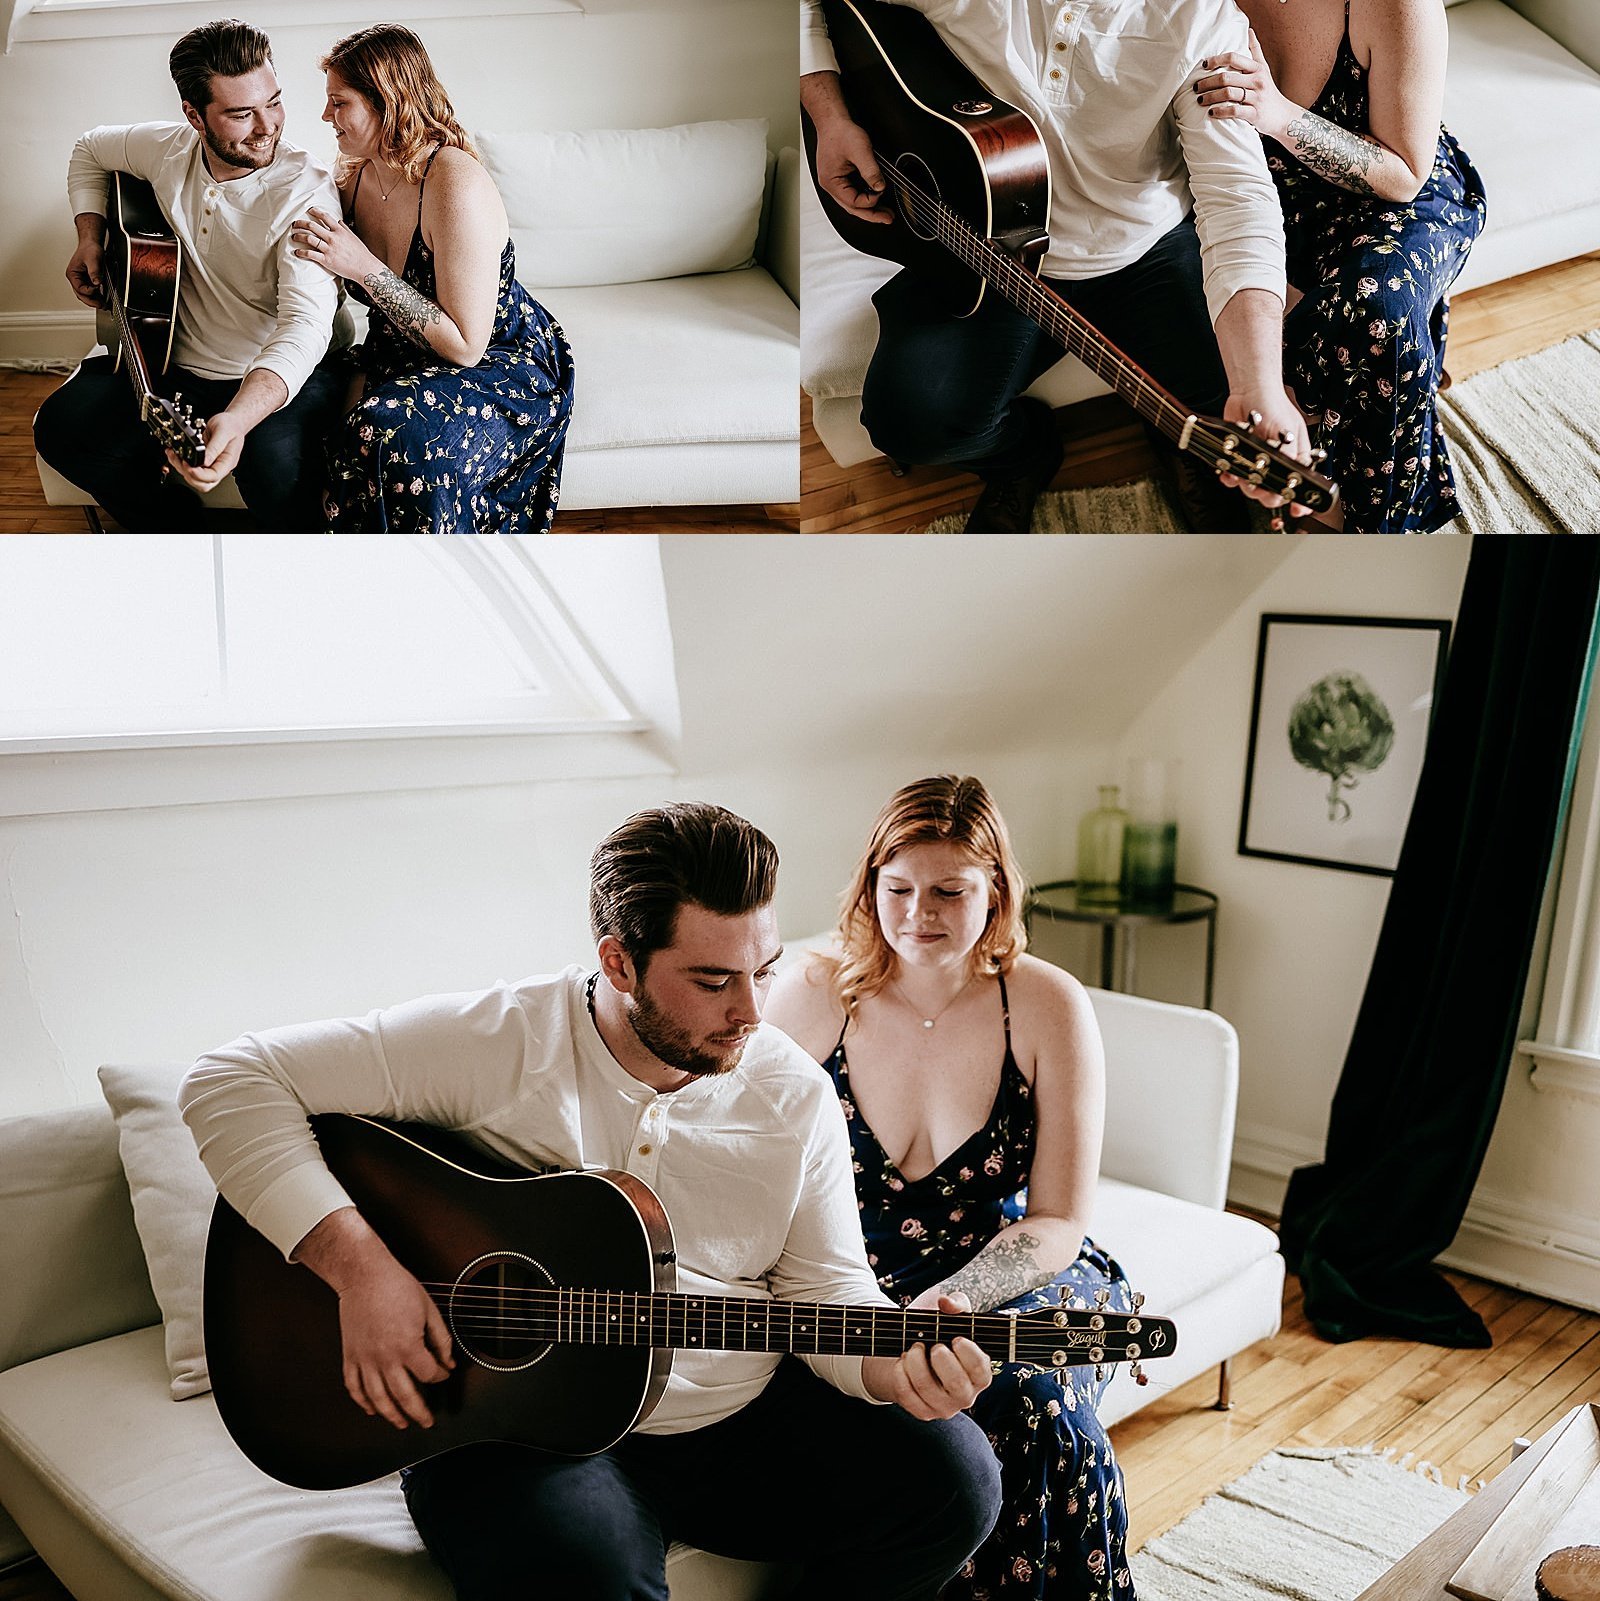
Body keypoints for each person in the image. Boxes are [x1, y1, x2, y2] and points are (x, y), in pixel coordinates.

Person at [179, 802, 1001, 1601]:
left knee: (958, 1482)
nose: (751, 1010)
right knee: (585, 1573)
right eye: (714, 980)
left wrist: (895, 1365)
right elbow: (230, 1079)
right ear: (617, 963)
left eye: (765, 970)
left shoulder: (792, 1093)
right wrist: (363, 1274)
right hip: (514, 1425)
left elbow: (826, 1289)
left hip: (733, 1419)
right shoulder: (500, 1041)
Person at [766, 776, 1136, 1601]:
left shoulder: (1044, 1004)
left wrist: (957, 1299)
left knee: (1037, 1405)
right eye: (896, 888)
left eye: (948, 890)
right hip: (854, 1276)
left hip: (1013, 1267)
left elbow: (1059, 1215)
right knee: (931, 1420)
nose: (917, 913)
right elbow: (746, 1164)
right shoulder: (813, 992)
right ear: (868, 888)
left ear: (996, 890)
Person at [801, 0, 1313, 535]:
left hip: (1145, 242)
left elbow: (1237, 197)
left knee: (1226, 382)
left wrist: (1260, 386)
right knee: (910, 425)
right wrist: (830, 117)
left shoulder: (1201, 18)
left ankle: (1182, 449)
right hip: (983, 238)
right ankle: (1022, 457)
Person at [33, 18, 348, 533]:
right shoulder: (166, 148)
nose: (268, 126)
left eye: (274, 101)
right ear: (194, 115)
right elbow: (89, 148)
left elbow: (305, 325)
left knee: (276, 473)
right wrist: (90, 237)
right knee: (62, 430)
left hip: (272, 374)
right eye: (242, 113)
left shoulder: (305, 193)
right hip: (170, 366)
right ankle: (176, 536)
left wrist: (241, 418)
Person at [1193, 0, 1485, 534]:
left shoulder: (1398, 7)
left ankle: (1378, 523)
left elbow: (1403, 175)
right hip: (1274, 198)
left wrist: (1278, 113)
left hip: (1396, 196)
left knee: (1375, 307)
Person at [288, 25, 574, 535]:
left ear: (388, 101)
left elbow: (466, 344)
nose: (326, 116)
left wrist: (364, 268)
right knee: (329, 432)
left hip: (495, 360)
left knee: (397, 436)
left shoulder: (453, 183)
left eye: (339, 102)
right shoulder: (354, 177)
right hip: (398, 354)